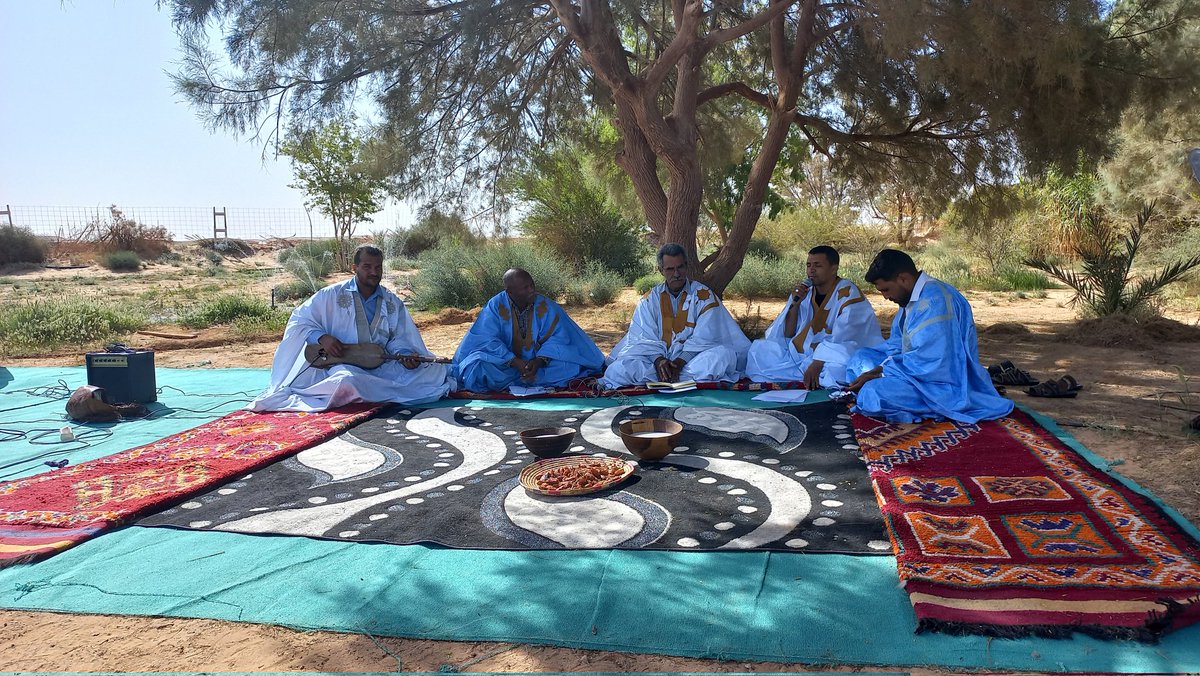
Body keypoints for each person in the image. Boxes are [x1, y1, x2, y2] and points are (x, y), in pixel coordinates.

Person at [250, 245, 454, 412]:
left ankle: (367, 392)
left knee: (435, 371)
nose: (374, 272)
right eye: (367, 266)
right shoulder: (331, 295)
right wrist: (321, 337)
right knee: (346, 381)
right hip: (342, 365)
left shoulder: (392, 302)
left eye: (378, 267)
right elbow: (299, 320)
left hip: (380, 365)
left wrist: (405, 355)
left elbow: (399, 338)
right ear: (354, 267)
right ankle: (365, 391)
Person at [843, 249, 1013, 423]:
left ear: (903, 279)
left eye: (886, 290)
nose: (885, 297)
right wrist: (877, 369)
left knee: (874, 392)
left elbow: (933, 364)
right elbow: (897, 345)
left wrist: (881, 374)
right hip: (911, 369)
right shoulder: (908, 298)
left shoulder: (934, 301)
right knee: (860, 358)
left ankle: (938, 405)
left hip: (941, 383)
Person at [601, 242, 750, 388]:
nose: (676, 274)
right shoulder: (650, 299)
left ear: (686, 266)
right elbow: (642, 338)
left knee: (723, 356)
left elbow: (706, 337)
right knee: (619, 369)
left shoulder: (703, 295)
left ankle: (667, 379)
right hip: (656, 365)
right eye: (670, 269)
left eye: (680, 267)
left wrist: (679, 363)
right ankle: (679, 379)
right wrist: (659, 361)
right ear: (661, 270)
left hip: (691, 362)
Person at [746, 245, 884, 389]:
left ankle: (811, 373)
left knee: (839, 367)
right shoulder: (805, 292)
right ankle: (807, 373)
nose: (811, 270)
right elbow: (788, 334)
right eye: (808, 265)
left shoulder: (848, 293)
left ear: (833, 269)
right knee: (759, 350)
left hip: (833, 355)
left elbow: (845, 338)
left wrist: (818, 362)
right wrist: (795, 305)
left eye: (817, 265)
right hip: (803, 353)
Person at [451, 268, 605, 391]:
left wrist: (538, 361)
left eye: (532, 285)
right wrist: (514, 361)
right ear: (510, 292)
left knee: (571, 366)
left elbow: (559, 337)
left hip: (538, 366)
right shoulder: (495, 306)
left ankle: (523, 380)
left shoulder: (545, 305)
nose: (531, 290)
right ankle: (524, 380)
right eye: (525, 287)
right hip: (505, 364)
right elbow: (486, 339)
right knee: (477, 367)